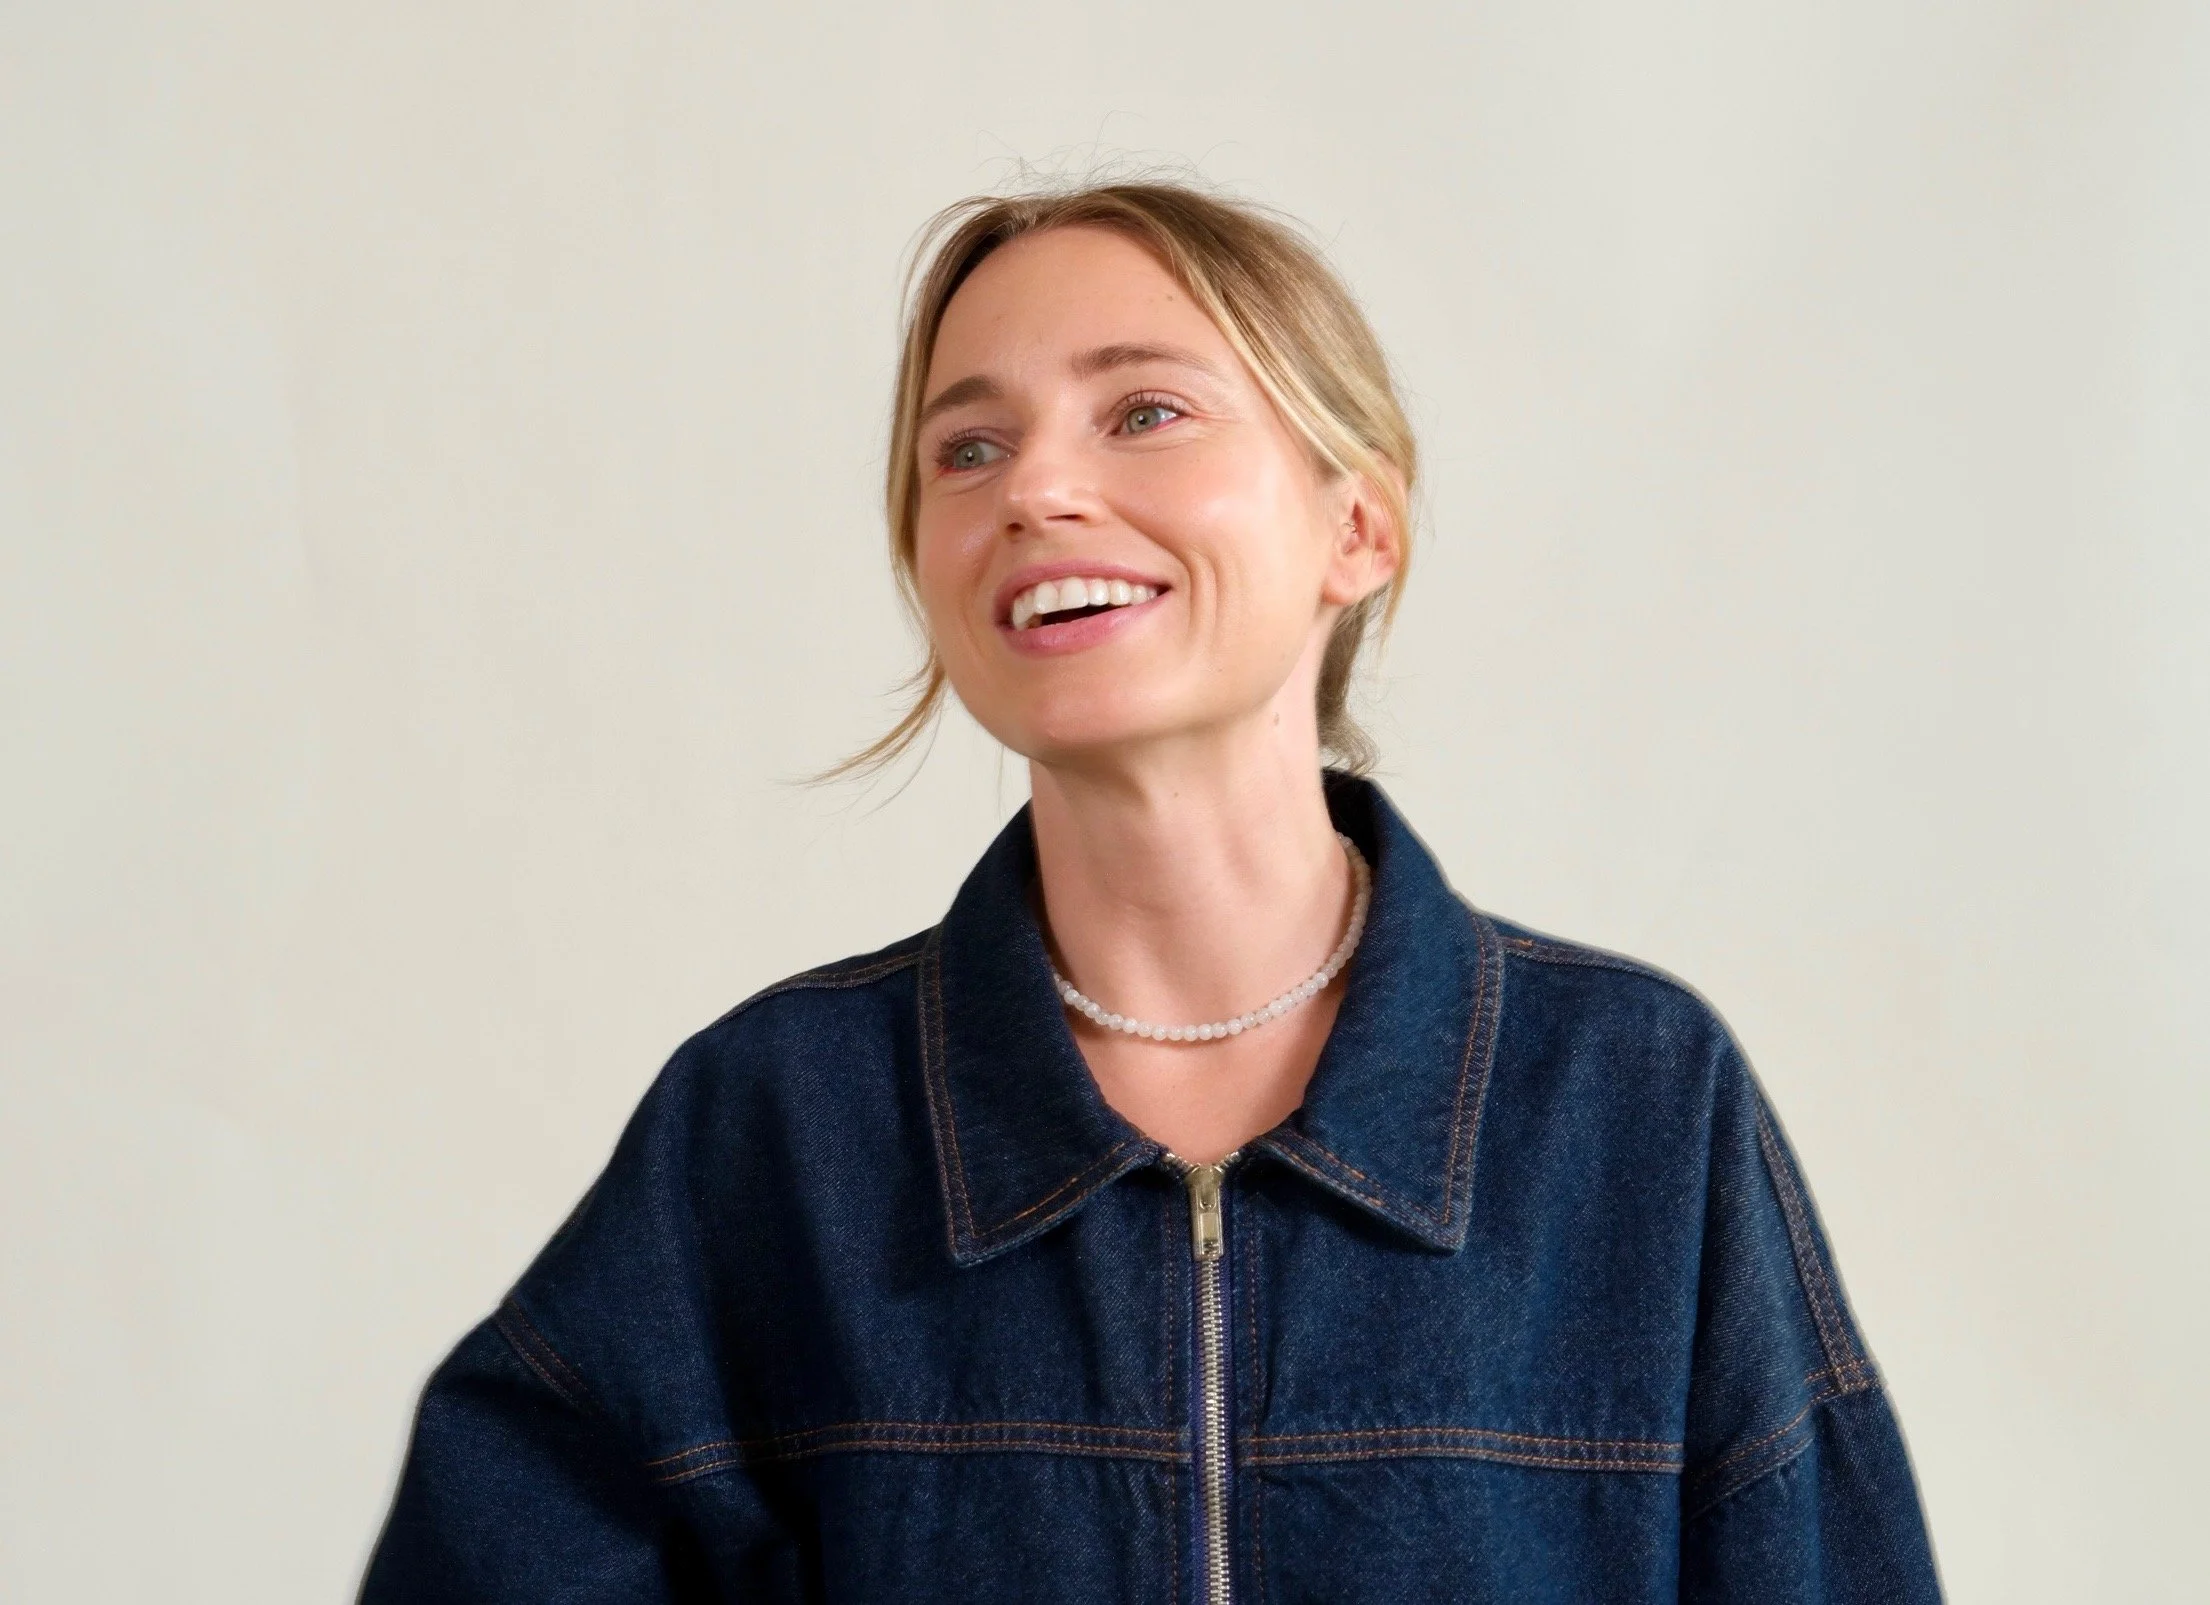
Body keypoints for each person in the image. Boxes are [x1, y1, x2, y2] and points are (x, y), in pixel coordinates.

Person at [360, 180, 1943, 1603]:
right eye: (966, 448)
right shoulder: (777, 1123)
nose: (1033, 491)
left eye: (1144, 413)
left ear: (1355, 527)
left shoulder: (1628, 1101)